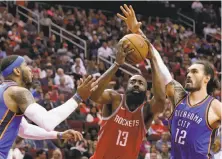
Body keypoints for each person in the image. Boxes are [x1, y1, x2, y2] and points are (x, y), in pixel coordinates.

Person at [118, 4, 221, 159]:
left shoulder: (214, 106)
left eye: (194, 72)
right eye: (188, 71)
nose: (188, 75)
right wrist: (137, 32)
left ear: (207, 78)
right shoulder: (179, 97)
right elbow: (157, 61)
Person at [89, 20, 166, 158]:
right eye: (133, 82)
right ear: (126, 87)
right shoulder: (114, 99)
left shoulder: (146, 111)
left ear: (146, 91)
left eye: (140, 83)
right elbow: (94, 95)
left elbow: (160, 100)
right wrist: (116, 64)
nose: (136, 84)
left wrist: (153, 59)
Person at [0, 55, 98, 159]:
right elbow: (47, 122)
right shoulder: (17, 92)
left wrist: (58, 135)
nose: (30, 69)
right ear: (17, 71)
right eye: (25, 65)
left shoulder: (3, 91)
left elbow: (25, 129)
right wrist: (78, 97)